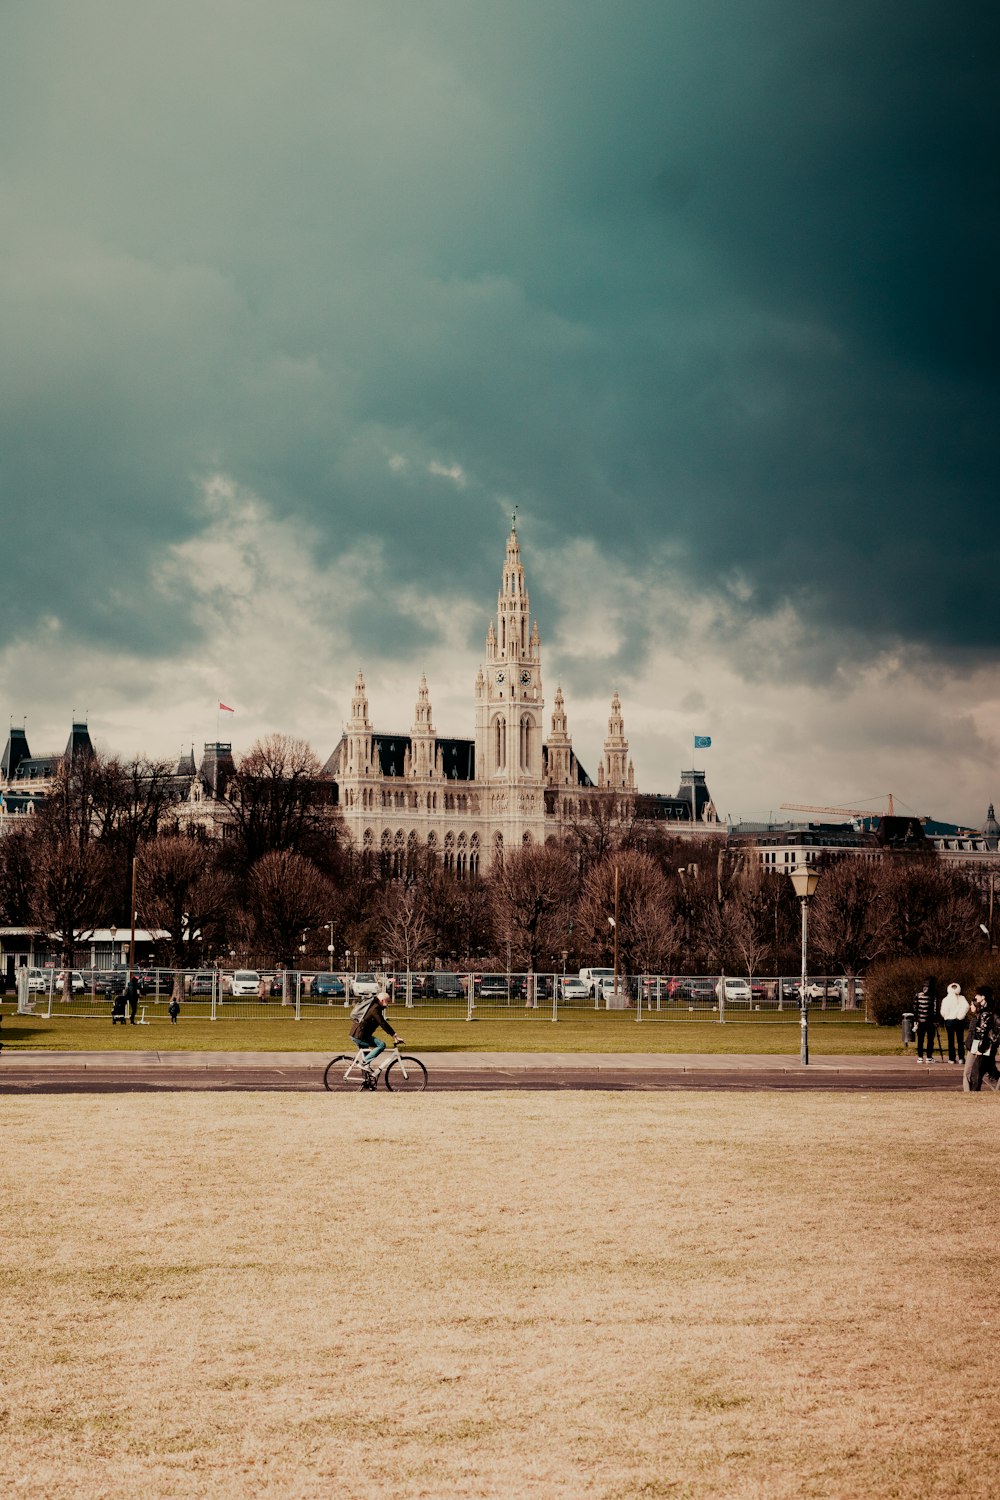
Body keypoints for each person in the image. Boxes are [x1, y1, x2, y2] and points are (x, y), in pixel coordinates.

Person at [350, 990, 402, 1089]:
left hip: (359, 1034)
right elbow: (382, 1023)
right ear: (382, 1000)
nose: (389, 1003)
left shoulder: (375, 1006)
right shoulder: (375, 1008)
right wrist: (394, 1035)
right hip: (360, 1036)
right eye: (388, 1001)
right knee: (381, 1045)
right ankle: (364, 1063)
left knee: (367, 1064)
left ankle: (368, 1083)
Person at [965, 985, 1000, 1092]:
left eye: (977, 995)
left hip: (984, 1046)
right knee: (986, 1071)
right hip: (982, 1044)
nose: (975, 997)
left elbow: (986, 1032)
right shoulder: (985, 1010)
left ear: (983, 997)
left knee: (975, 1072)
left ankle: (972, 1094)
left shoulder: (987, 1012)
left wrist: (980, 1048)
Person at [939, 982, 970, 1065]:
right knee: (960, 1040)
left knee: (951, 1040)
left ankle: (951, 1059)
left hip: (949, 1021)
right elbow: (966, 1007)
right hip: (958, 1021)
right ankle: (961, 1058)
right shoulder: (962, 998)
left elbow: (942, 1010)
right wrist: (960, 1016)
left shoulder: (945, 999)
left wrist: (946, 1016)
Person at [913, 976, 939, 1063]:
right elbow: (935, 1010)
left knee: (920, 1040)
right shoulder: (933, 996)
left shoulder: (917, 995)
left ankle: (920, 1057)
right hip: (930, 1021)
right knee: (930, 1040)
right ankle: (929, 1057)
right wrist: (936, 1021)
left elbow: (915, 1009)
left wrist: (916, 1020)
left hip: (920, 1021)